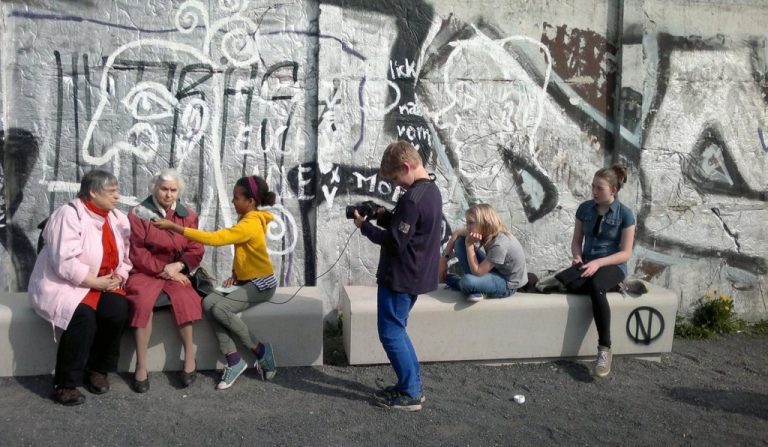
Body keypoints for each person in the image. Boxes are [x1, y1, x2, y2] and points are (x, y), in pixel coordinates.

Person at [151, 175, 278, 390]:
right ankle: (233, 359)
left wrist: (175, 227)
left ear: (250, 201)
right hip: (245, 280)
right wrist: (236, 273)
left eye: (237, 197)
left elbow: (215, 239)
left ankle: (260, 350)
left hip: (261, 284)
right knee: (209, 302)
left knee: (221, 309)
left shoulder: (250, 222)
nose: (233, 201)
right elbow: (247, 252)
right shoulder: (246, 217)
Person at [28, 170, 132, 406]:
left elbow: (126, 257)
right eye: (111, 192)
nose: (117, 196)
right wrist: (94, 282)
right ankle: (66, 383)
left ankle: (97, 369)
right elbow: (64, 261)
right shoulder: (69, 214)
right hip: (69, 283)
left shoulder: (118, 218)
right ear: (93, 192)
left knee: (117, 310)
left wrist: (119, 275)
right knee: (82, 317)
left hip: (106, 282)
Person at [353, 140, 443, 411]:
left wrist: (364, 227)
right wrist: (383, 215)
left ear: (406, 166)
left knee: (390, 334)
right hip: (415, 275)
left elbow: (395, 242)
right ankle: (411, 386)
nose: (396, 185)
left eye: (395, 178)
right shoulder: (431, 190)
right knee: (398, 331)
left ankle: (410, 393)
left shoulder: (412, 199)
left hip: (400, 277)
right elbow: (410, 228)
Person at [538, 165, 636, 378]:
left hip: (612, 265)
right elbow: (576, 241)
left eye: (600, 188)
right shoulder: (585, 209)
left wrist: (599, 263)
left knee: (596, 286)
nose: (594, 191)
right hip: (588, 263)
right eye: (593, 186)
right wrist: (577, 256)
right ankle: (607, 285)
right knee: (569, 282)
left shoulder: (625, 215)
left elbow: (626, 253)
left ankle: (604, 348)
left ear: (613, 190)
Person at [125, 169, 205, 393]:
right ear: (154, 188)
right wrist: (163, 270)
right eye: (164, 189)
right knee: (142, 302)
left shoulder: (188, 215)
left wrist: (179, 266)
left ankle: (190, 358)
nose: (168, 194)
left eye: (173, 190)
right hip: (145, 271)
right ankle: (141, 365)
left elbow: (196, 248)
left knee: (184, 296)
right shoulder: (138, 214)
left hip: (175, 269)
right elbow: (137, 252)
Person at [440, 203, 527, 301]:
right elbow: (457, 233)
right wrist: (443, 260)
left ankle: (459, 283)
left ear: (485, 223)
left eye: (471, 223)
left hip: (507, 284)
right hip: (494, 270)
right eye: (467, 223)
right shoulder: (486, 232)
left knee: (467, 281)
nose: (467, 227)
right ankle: (478, 289)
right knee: (460, 242)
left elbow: (477, 272)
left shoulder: (500, 244)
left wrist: (469, 245)